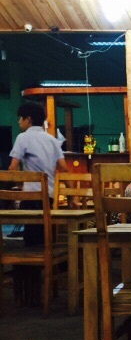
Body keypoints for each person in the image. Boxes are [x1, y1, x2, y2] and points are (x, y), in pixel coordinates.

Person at [8, 102, 67, 246]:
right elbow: (64, 169)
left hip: (31, 196)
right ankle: (46, 255)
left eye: (20, 118)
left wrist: (20, 186)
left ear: (28, 119)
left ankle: (32, 257)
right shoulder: (52, 140)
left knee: (31, 236)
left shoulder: (23, 137)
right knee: (44, 232)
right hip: (49, 196)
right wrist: (72, 198)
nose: (19, 122)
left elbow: (12, 168)